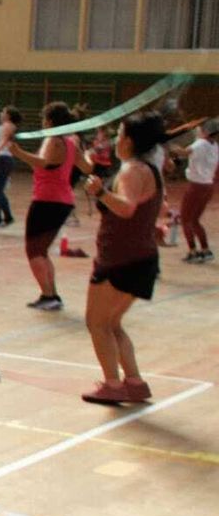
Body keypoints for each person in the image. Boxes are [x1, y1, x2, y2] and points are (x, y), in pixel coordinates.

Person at [81, 113, 168, 404]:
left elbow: (127, 208)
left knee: (97, 323)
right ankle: (134, 382)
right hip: (141, 258)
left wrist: (101, 193)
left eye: (119, 134)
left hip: (120, 260)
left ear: (129, 141)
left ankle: (112, 386)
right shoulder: (150, 170)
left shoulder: (132, 170)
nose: (116, 139)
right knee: (113, 323)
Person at [12, 102, 80, 310]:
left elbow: (44, 162)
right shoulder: (71, 142)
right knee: (41, 251)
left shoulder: (53, 139)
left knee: (33, 251)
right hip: (63, 200)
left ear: (49, 121)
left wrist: (17, 152)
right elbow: (86, 165)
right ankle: (51, 295)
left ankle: (48, 295)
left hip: (47, 199)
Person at [167, 118, 215, 262]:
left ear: (206, 132)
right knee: (194, 220)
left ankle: (193, 251)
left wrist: (168, 143)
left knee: (186, 219)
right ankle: (205, 250)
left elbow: (183, 152)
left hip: (197, 186)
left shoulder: (200, 143)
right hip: (208, 185)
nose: (197, 130)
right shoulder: (214, 145)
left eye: (199, 129)